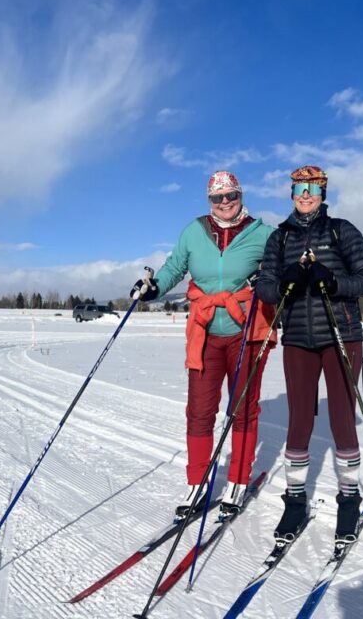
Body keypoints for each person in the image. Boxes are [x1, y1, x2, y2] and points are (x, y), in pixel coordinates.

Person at [133, 171, 276, 519]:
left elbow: (281, 268)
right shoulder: (194, 231)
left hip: (247, 331)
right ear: (209, 200)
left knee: (242, 409)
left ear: (241, 196)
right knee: (199, 411)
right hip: (205, 331)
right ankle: (198, 482)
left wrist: (269, 275)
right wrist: (154, 288)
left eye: (231, 195)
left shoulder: (263, 233)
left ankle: (238, 479)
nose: (225, 203)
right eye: (217, 198)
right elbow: (174, 268)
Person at [255, 165, 363, 544]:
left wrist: (335, 281)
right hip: (297, 338)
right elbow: (264, 287)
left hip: (341, 336)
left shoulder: (341, 230)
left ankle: (348, 499)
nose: (305, 195)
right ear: (291, 194)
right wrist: (284, 282)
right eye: (298, 189)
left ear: (323, 193)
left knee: (342, 419)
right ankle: (295, 501)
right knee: (298, 422)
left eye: (312, 188)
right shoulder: (279, 238)